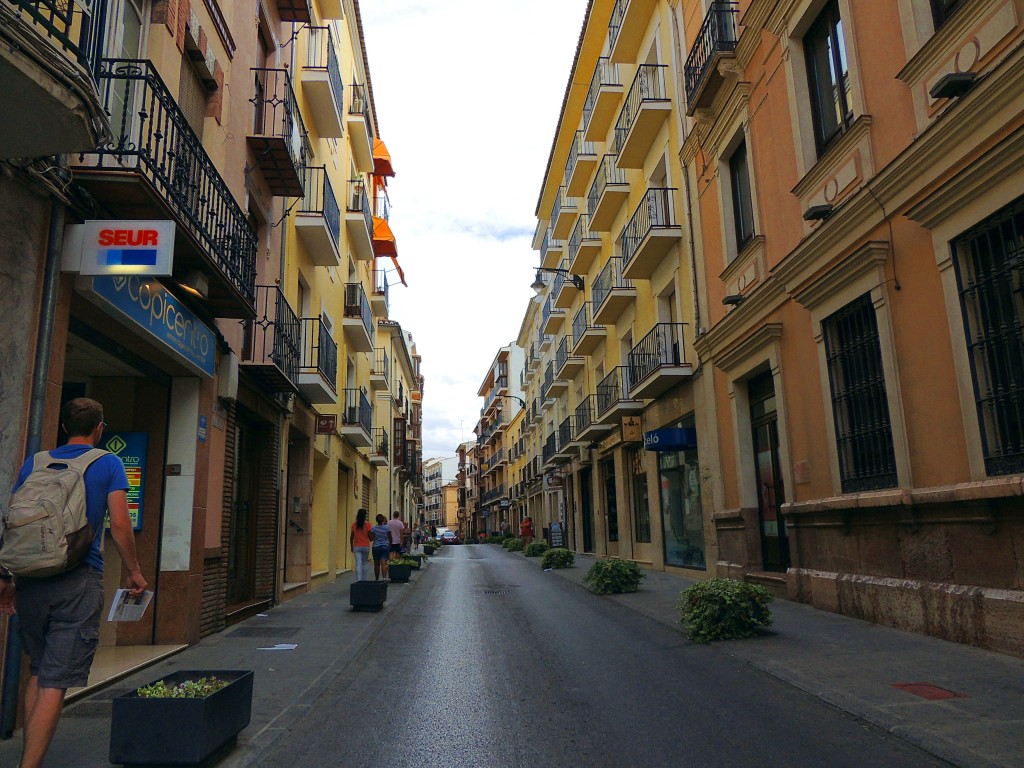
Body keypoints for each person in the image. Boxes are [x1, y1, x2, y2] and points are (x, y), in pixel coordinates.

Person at [0, 397, 147, 768]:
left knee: (38, 669)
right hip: (78, 579)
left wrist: (6, 576)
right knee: (55, 679)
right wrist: (134, 571)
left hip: (30, 579)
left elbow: (13, 520)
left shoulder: (36, 462)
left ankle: (29, 757)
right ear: (99, 428)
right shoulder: (108, 463)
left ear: (64, 427)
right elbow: (120, 524)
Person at [350, 508, 372, 582]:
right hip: (365, 546)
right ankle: (364, 579)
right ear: (365, 515)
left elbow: (351, 537)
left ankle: (359, 580)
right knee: (365, 563)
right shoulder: (368, 524)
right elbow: (370, 537)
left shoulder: (354, 525)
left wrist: (351, 546)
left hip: (357, 547)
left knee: (358, 563)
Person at [370, 514, 392, 580]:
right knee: (384, 563)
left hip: (376, 547)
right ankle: (384, 578)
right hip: (385, 546)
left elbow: (371, 538)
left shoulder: (374, 528)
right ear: (383, 520)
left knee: (376, 564)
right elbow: (390, 537)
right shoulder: (387, 528)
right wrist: (390, 545)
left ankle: (377, 579)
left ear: (376, 520)